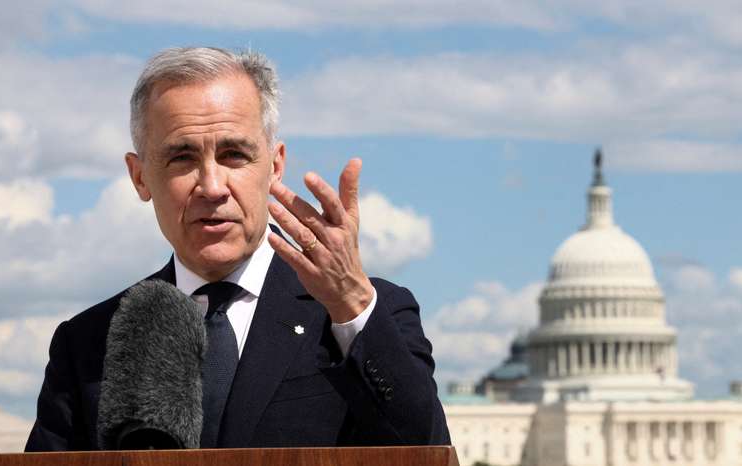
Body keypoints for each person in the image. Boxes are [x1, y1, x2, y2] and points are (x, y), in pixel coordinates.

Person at [25, 47, 450, 451]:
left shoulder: (362, 315)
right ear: (140, 177)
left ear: (275, 164)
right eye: (182, 158)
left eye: (233, 155)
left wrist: (351, 305)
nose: (211, 187)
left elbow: (427, 449)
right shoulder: (88, 342)